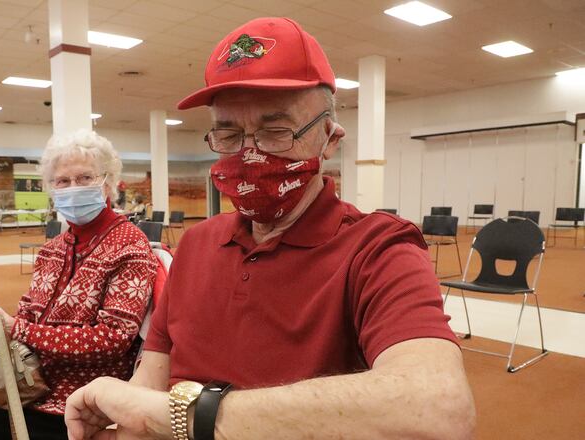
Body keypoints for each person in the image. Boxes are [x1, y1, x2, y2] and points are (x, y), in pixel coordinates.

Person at [64, 17, 475, 440]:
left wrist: (184, 418)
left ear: (330, 138)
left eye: (275, 131)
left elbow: (437, 411)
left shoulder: (379, 249)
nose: (249, 153)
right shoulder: (196, 244)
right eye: (228, 134)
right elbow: (152, 380)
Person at [0, 129, 159, 440]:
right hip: (27, 376)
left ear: (107, 183)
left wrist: (20, 331)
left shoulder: (129, 246)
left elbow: (112, 339)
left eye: (84, 178)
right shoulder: (54, 248)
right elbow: (28, 315)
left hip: (81, 395)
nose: (72, 188)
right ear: (51, 188)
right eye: (62, 181)